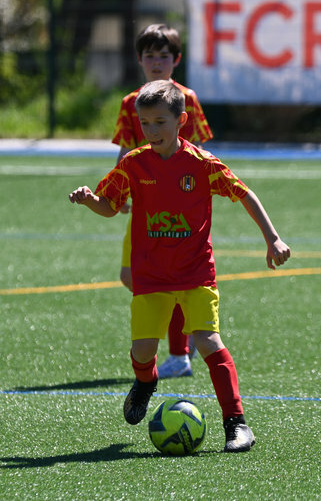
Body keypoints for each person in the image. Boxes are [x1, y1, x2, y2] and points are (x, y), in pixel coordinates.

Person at [70, 80, 291, 452]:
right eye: (145, 123)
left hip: (195, 272)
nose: (151, 130)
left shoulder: (202, 164)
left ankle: (236, 423)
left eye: (160, 122)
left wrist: (273, 238)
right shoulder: (133, 163)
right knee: (143, 351)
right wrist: (91, 200)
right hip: (151, 274)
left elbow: (244, 194)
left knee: (207, 341)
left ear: (181, 121)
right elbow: (109, 206)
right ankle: (145, 382)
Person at [112, 23, 214, 379]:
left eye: (164, 56)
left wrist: (194, 191)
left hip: (179, 205)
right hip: (145, 201)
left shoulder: (187, 98)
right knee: (130, 275)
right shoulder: (131, 102)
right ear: (139, 60)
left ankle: (179, 353)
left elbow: (199, 149)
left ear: (177, 60)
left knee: (172, 279)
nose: (157, 62)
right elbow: (126, 148)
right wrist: (119, 190)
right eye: (150, 56)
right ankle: (184, 335)